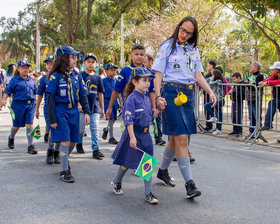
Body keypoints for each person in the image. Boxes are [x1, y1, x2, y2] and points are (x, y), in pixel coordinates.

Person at [152, 16, 216, 199]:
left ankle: (162, 171)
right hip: (171, 93)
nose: (184, 34)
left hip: (188, 95)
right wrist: (158, 96)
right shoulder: (167, 46)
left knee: (176, 138)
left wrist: (210, 91)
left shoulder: (193, 50)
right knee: (181, 138)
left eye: (188, 32)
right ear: (178, 27)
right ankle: (189, 184)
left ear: (193, 35)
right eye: (182, 30)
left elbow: (198, 75)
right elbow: (158, 74)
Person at [111, 67, 160, 204]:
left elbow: (150, 116)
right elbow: (128, 120)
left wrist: (159, 110)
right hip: (133, 134)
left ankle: (148, 193)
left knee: (147, 163)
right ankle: (117, 181)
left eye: (148, 80)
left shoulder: (145, 98)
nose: (147, 83)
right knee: (126, 162)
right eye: (144, 80)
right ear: (135, 82)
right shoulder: (131, 99)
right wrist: (132, 137)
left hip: (146, 136)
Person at [46, 46, 90, 183]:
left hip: (74, 112)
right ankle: (64, 170)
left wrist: (87, 112)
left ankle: (63, 158)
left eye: (76, 57)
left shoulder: (76, 75)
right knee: (65, 140)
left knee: (73, 141)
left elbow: (83, 95)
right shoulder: (55, 77)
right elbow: (50, 99)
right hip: (61, 111)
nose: (75, 59)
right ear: (64, 59)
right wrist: (52, 119)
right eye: (72, 57)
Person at [105, 44, 155, 120]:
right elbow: (116, 90)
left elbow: (151, 91)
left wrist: (154, 108)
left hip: (144, 108)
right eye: (136, 54)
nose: (139, 56)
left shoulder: (148, 72)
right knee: (129, 129)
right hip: (129, 108)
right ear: (131, 56)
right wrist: (110, 107)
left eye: (141, 54)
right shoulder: (125, 71)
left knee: (144, 130)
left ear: (144, 56)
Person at [1, 60, 38, 154]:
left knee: (29, 124)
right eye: (23, 67)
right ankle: (11, 137)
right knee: (16, 125)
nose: (26, 69)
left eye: (27, 67)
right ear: (18, 69)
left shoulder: (31, 80)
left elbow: (36, 92)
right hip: (18, 105)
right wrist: (3, 99)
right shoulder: (14, 80)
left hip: (30, 105)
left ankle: (30, 145)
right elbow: (7, 91)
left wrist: (37, 102)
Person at [76, 53, 105, 159]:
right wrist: (78, 104)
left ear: (96, 64)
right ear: (84, 63)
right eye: (88, 62)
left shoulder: (98, 77)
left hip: (95, 107)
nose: (91, 64)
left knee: (95, 128)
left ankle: (95, 149)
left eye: (93, 62)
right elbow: (77, 92)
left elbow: (101, 93)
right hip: (83, 108)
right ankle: (79, 143)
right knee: (80, 128)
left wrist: (102, 109)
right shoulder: (80, 76)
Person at [35, 55, 61, 164]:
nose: (49, 65)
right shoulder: (43, 79)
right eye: (47, 63)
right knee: (51, 129)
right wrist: (37, 109)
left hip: (60, 107)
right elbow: (40, 94)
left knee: (60, 130)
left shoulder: (61, 76)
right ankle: (50, 151)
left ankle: (57, 152)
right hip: (48, 107)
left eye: (51, 63)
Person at [143, 54, 166, 145]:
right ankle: (143, 137)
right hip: (145, 99)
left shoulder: (156, 72)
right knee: (146, 119)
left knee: (157, 118)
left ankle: (158, 137)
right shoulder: (143, 71)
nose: (143, 64)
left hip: (155, 97)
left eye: (145, 62)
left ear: (150, 61)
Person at [102, 63, 121, 144]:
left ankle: (107, 129)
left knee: (113, 120)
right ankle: (111, 137)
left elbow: (118, 92)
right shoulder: (103, 81)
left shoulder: (116, 81)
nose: (113, 72)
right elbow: (101, 93)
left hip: (115, 102)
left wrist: (121, 103)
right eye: (111, 70)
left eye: (114, 70)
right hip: (107, 101)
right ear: (106, 71)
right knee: (111, 118)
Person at [244, 61, 264, 140]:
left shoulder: (260, 76)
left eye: (251, 66)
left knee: (257, 116)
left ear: (256, 68)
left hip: (257, 98)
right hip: (250, 98)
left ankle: (258, 133)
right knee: (251, 117)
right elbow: (247, 83)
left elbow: (255, 85)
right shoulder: (251, 75)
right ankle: (251, 132)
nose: (250, 68)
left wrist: (250, 83)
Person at [259, 62, 280, 131]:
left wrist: (267, 83)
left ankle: (268, 124)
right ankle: (268, 124)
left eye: (274, 69)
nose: (272, 70)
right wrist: (262, 82)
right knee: (272, 102)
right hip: (277, 98)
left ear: (278, 70)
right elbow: (269, 79)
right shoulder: (274, 75)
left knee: (272, 103)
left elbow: (277, 82)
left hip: (277, 99)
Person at [204, 69, 225, 135]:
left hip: (220, 100)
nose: (212, 76)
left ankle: (219, 128)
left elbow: (210, 83)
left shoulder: (219, 81)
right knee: (207, 106)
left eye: (213, 75)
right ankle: (214, 118)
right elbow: (206, 80)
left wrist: (210, 79)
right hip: (215, 100)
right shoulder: (212, 80)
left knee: (219, 115)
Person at [228, 72, 245, 137]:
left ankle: (239, 130)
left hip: (239, 101)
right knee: (234, 116)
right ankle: (234, 129)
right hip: (234, 100)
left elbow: (241, 93)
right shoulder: (236, 85)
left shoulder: (242, 84)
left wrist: (233, 92)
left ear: (239, 78)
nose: (234, 81)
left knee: (238, 116)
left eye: (235, 79)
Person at [203, 60, 216, 132]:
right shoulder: (208, 75)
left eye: (208, 65)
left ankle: (216, 126)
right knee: (206, 110)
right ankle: (208, 124)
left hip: (213, 94)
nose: (207, 66)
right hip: (206, 94)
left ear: (211, 66)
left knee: (213, 109)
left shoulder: (216, 73)